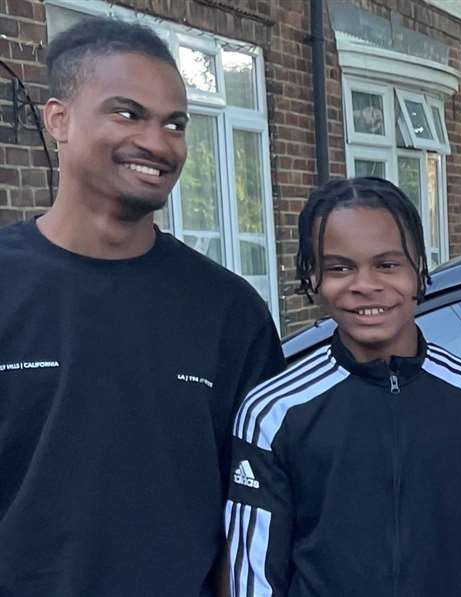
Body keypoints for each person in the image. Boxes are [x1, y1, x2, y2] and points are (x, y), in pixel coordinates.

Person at [0, 18, 285, 595]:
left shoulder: (229, 312)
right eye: (127, 114)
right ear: (58, 119)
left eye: (174, 123)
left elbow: (255, 509)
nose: (158, 143)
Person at [223, 177, 461, 596]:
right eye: (339, 268)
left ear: (419, 266)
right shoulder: (273, 412)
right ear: (311, 277)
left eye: (387, 264)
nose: (365, 284)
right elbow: (254, 576)